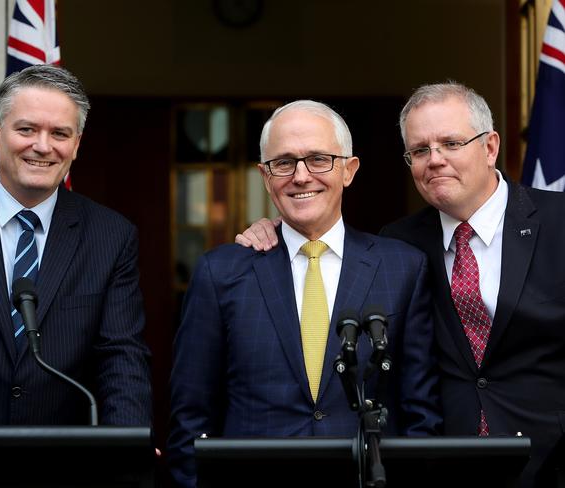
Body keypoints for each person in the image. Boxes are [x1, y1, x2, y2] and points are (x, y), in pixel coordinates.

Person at [237, 83, 565, 487]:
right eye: (420, 150)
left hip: (552, 462)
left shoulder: (558, 224)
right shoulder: (399, 245)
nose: (435, 160)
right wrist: (276, 229)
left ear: (490, 146)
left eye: (451, 143)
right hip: (448, 465)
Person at [168, 100, 441, 488]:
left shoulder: (403, 268)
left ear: (349, 170)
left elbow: (421, 415)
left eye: (318, 159)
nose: (300, 176)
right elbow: (189, 417)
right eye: (284, 162)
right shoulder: (221, 272)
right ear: (265, 176)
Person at [0, 64, 152, 426]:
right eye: (26, 129)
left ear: (76, 145)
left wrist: (126, 447)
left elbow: (121, 358)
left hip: (63, 467)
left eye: (60, 133)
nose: (42, 146)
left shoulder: (111, 235)